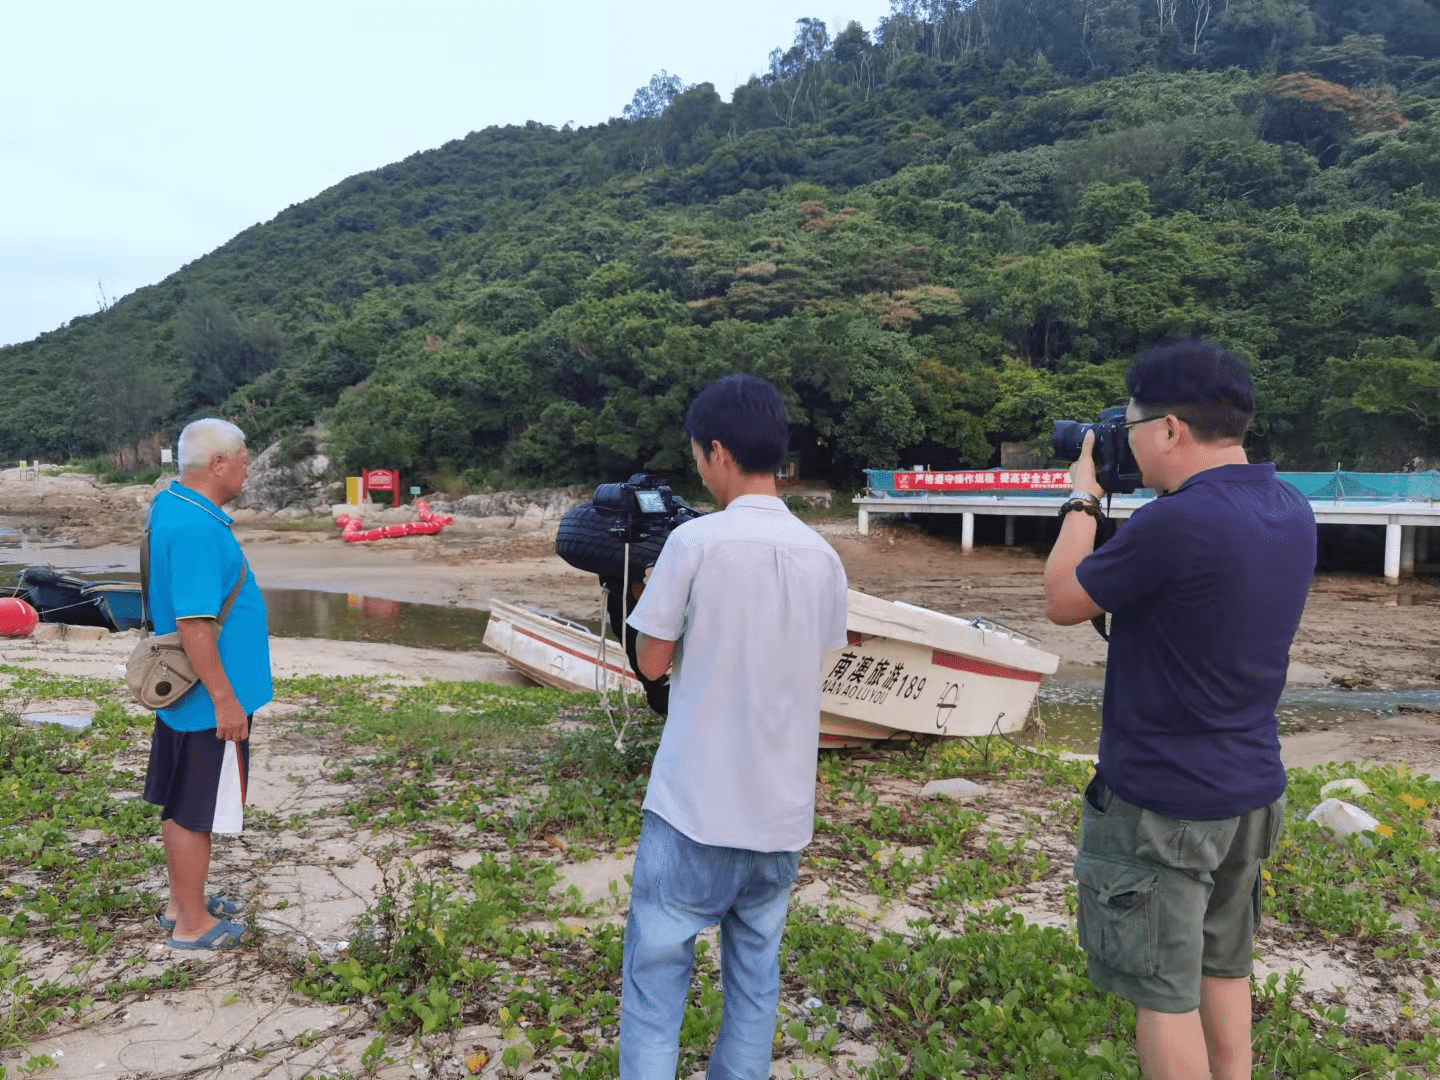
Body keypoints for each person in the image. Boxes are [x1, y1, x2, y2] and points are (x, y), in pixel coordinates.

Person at [1043, 340, 1316, 1080]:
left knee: (1162, 993)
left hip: (1165, 802)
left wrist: (1082, 499)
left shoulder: (1177, 524)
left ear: (1169, 430)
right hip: (1251, 790)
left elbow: (1066, 598)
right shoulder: (1289, 507)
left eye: (1129, 427)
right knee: (1224, 967)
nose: (1124, 443)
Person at [618, 374, 849, 1080]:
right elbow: (816, 660)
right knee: (754, 984)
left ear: (717, 452)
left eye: (697, 454)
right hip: (780, 818)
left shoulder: (696, 544)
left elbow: (652, 665)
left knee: (656, 991)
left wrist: (645, 589)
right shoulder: (825, 557)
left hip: (694, 809)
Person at [141, 418, 272, 950]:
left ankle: (181, 903)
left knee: (181, 801)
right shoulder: (197, 527)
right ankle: (193, 923)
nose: (247, 468)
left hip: (184, 695)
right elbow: (195, 624)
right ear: (218, 464)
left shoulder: (172, 504)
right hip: (205, 699)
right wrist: (225, 699)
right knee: (195, 809)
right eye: (242, 458)